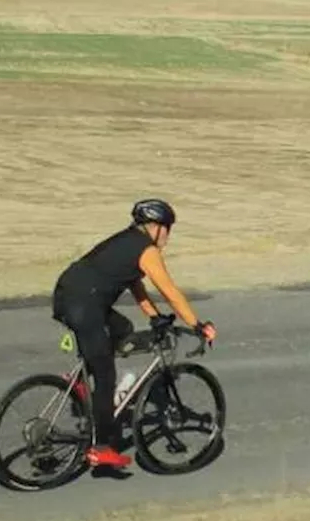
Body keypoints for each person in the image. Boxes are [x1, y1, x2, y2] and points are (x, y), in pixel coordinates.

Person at [51, 198, 218, 469]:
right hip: (86, 306)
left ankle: (82, 383)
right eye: (168, 228)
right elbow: (170, 292)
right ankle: (101, 448)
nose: (168, 236)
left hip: (67, 294)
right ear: (156, 227)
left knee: (123, 329)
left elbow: (134, 285)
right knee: (106, 378)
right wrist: (197, 324)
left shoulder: (126, 241)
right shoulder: (147, 251)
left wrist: (153, 315)